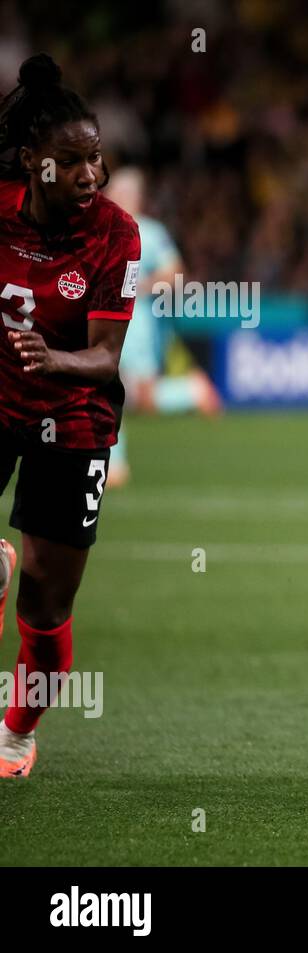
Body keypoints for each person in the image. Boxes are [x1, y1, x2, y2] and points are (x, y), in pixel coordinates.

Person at [0, 54, 141, 777]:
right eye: (71, 160)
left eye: (97, 158)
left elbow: (105, 357)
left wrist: (52, 360)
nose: (91, 174)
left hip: (75, 414)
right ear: (32, 162)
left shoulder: (117, 235)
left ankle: (17, 731)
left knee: (47, 600)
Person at [103, 167, 220, 488]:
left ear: (133, 197)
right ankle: (189, 392)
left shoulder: (150, 233)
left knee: (131, 394)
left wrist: (141, 286)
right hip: (108, 319)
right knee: (123, 392)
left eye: (118, 192)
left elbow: (174, 273)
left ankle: (189, 392)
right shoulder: (102, 229)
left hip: (137, 324)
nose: (112, 197)